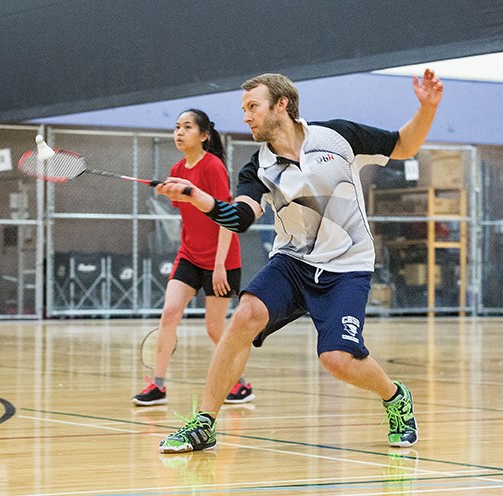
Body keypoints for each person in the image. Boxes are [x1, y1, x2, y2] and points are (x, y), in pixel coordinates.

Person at [155, 69, 444, 453]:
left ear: (282, 105)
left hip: (347, 265)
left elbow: (404, 146)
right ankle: (204, 424)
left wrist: (426, 109)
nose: (246, 116)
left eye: (253, 106)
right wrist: (198, 197)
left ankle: (395, 397)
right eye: (244, 109)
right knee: (244, 317)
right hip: (293, 262)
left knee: (338, 359)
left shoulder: (337, 137)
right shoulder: (257, 168)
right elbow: (239, 218)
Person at [132, 109, 255, 406]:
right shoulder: (178, 168)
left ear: (203, 135)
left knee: (215, 329)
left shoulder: (213, 167)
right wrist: (168, 192)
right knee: (169, 313)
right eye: (176, 127)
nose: (179, 133)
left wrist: (218, 267)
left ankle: (240, 384)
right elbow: (186, 208)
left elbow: (226, 217)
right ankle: (157, 385)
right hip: (189, 255)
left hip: (221, 261)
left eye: (187, 127)